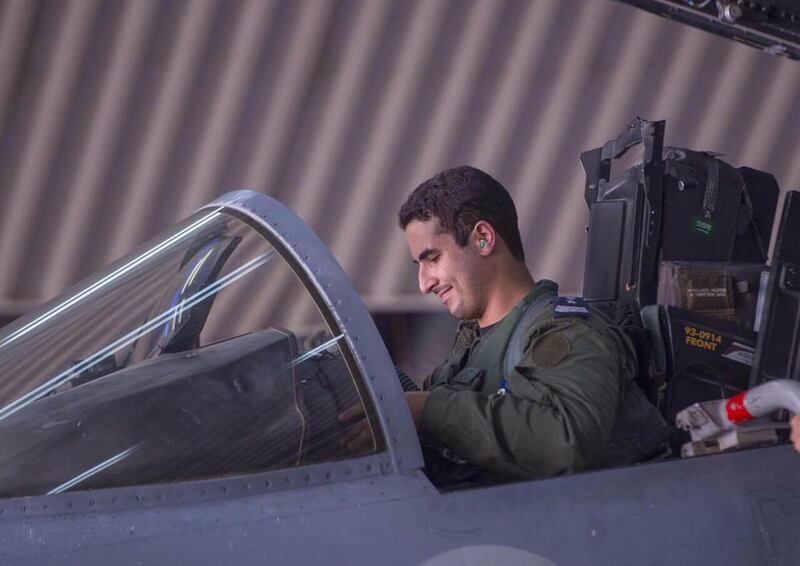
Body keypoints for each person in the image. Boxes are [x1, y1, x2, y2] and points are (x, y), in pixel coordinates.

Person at [396, 165, 640, 482]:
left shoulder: (566, 332)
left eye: (433, 259)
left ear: (483, 239)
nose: (424, 284)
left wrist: (426, 410)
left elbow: (565, 440)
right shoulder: (471, 348)